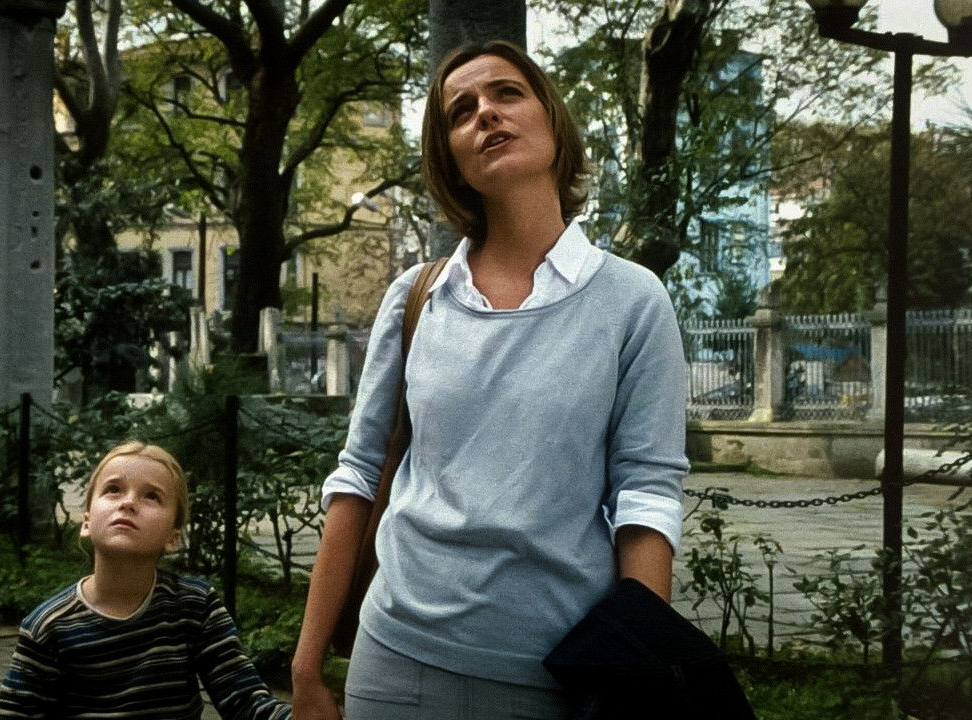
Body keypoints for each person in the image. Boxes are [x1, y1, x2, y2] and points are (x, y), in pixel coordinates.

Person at [290, 40, 688, 720]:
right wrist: (306, 667)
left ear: (552, 120)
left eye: (507, 93)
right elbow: (359, 473)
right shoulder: (417, 296)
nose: (486, 113)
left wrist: (637, 677)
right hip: (394, 662)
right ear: (452, 159)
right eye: (461, 110)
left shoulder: (632, 299)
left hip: (559, 673)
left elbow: (647, 495)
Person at [0, 441, 291, 720]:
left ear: (173, 537)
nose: (128, 502)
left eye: (151, 496)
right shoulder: (48, 627)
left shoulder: (194, 606)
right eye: (113, 489)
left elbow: (245, 702)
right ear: (86, 522)